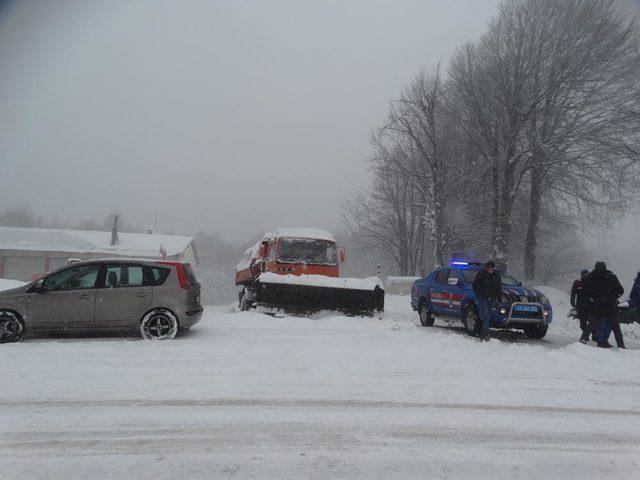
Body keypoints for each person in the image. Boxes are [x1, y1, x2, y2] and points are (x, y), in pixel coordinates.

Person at [584, 261, 625, 349]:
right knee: (615, 327)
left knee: (591, 325)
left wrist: (593, 299)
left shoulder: (590, 278)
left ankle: (583, 341)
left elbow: (586, 292)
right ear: (605, 268)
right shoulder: (610, 277)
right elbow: (620, 290)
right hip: (610, 306)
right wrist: (612, 297)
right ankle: (620, 346)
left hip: (597, 306)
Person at [473, 260, 502, 341]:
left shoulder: (497, 275)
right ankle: (486, 334)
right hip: (483, 297)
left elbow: (499, 287)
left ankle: (483, 333)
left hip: (492, 297)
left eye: (492, 268)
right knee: (485, 314)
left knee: (489, 315)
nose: (490, 270)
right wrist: (479, 294)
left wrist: (499, 299)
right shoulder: (481, 274)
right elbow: (475, 285)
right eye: (489, 268)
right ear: (486, 268)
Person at [570, 269, 594, 343]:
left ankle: (592, 336)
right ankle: (586, 335)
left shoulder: (592, 282)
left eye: (587, 275)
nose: (586, 276)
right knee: (582, 324)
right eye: (584, 275)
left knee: (592, 322)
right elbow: (573, 293)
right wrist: (572, 302)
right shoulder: (577, 282)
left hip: (590, 306)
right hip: (580, 306)